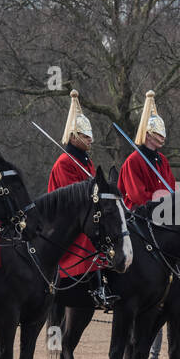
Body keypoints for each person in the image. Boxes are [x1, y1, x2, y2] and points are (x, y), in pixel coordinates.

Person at [48, 91, 116, 311]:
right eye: (86, 136)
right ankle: (95, 285)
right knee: (89, 237)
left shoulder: (85, 160)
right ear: (74, 136)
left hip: (85, 214)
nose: (91, 140)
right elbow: (72, 195)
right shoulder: (64, 163)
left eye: (90, 135)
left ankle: (105, 279)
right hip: (67, 216)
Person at [118, 89, 174, 209]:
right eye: (158, 134)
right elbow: (138, 195)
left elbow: (172, 187)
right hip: (140, 213)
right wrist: (162, 203)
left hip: (163, 210)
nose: (162, 137)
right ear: (148, 135)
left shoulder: (163, 160)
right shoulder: (132, 161)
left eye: (162, 134)